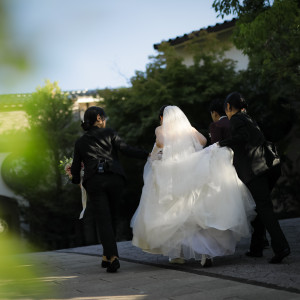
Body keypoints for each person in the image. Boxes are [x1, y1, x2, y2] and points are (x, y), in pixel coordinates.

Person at [131, 105, 256, 266]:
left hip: (171, 174)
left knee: (175, 215)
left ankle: (178, 254)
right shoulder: (189, 129)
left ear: (162, 118)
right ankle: (205, 252)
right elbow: (203, 141)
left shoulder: (161, 129)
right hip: (192, 171)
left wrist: (163, 143)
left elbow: (161, 143)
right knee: (195, 213)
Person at [71, 106, 148, 273]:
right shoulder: (110, 133)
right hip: (115, 179)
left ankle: (112, 257)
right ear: (99, 118)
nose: (105, 121)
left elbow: (76, 169)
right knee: (112, 217)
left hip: (95, 182)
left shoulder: (80, 142)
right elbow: (126, 149)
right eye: (104, 118)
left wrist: (74, 179)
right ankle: (107, 256)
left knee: (103, 219)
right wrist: (147, 154)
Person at [219, 92, 290, 264]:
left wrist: (222, 144)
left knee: (264, 208)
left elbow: (242, 138)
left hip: (256, 171)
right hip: (269, 167)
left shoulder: (235, 119)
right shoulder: (249, 119)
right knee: (260, 209)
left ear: (228, 107)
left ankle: (281, 247)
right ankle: (256, 248)